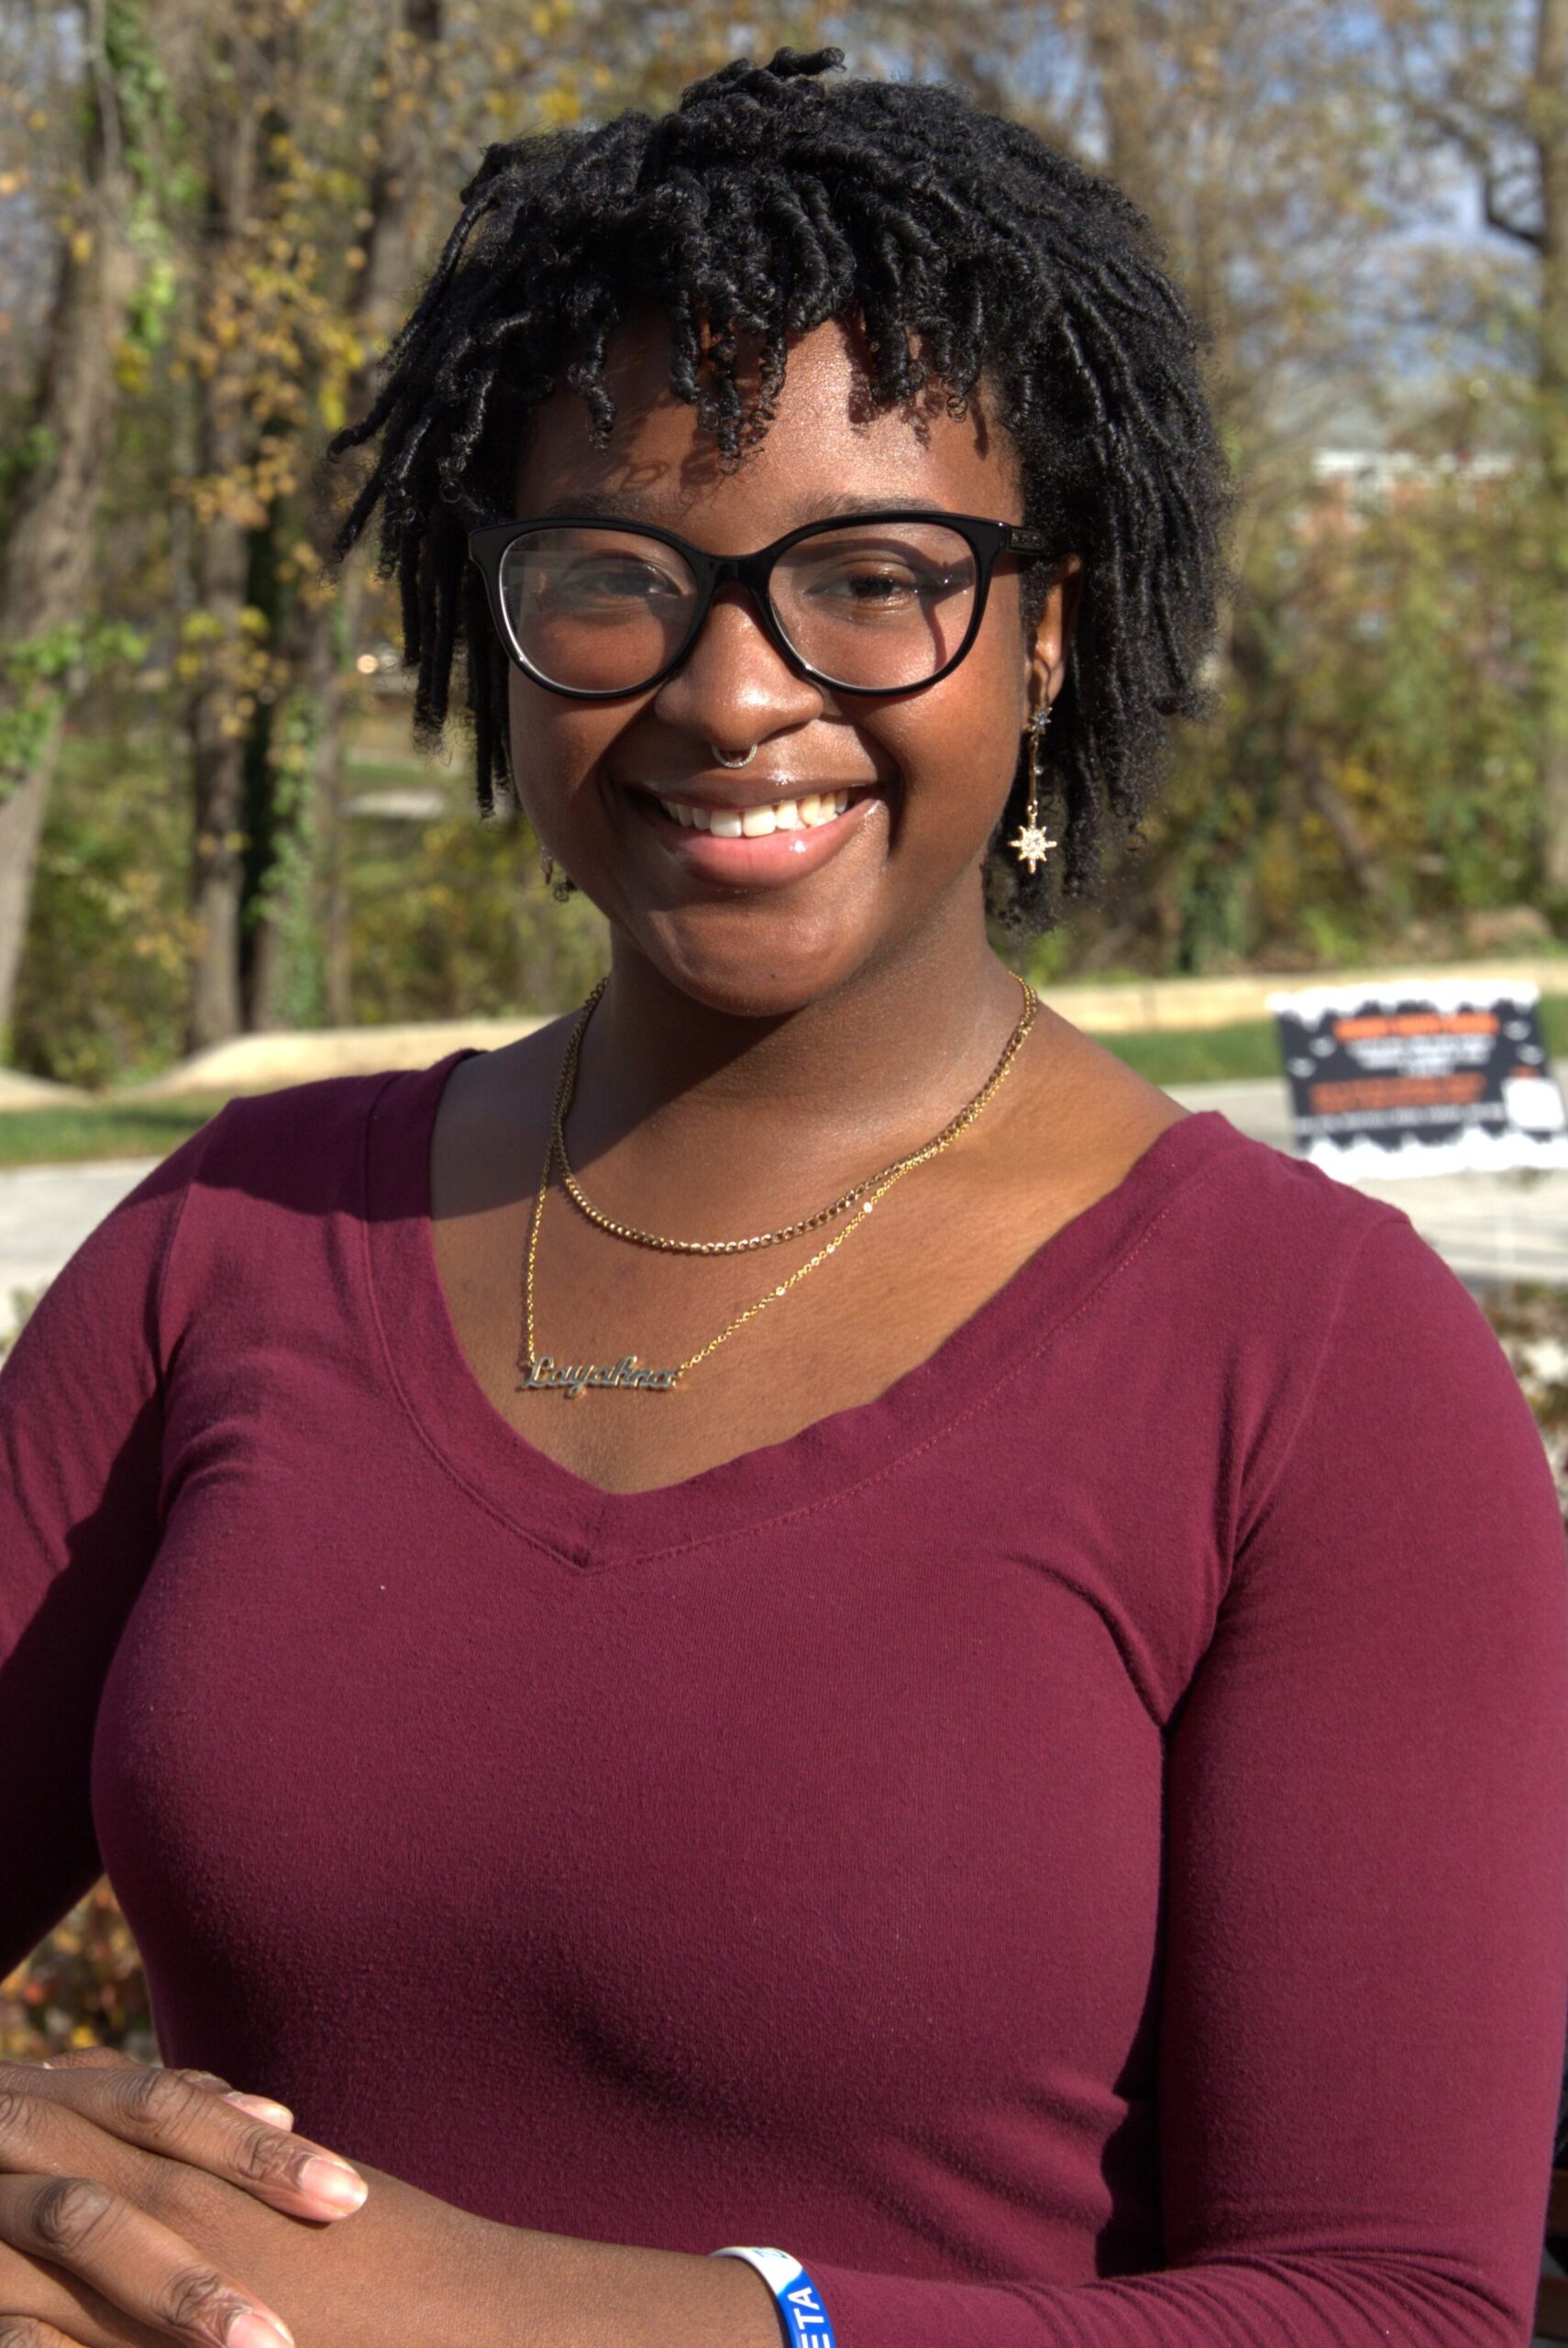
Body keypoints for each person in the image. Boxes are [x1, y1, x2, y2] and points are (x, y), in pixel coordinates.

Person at [2, 44, 1566, 2348]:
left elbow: (1397, 2308)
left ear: (1048, 623)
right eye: (615, 578)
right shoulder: (238, 1242)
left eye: (872, 579)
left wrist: (462, 2312)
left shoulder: (1312, 1362)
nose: (734, 691)